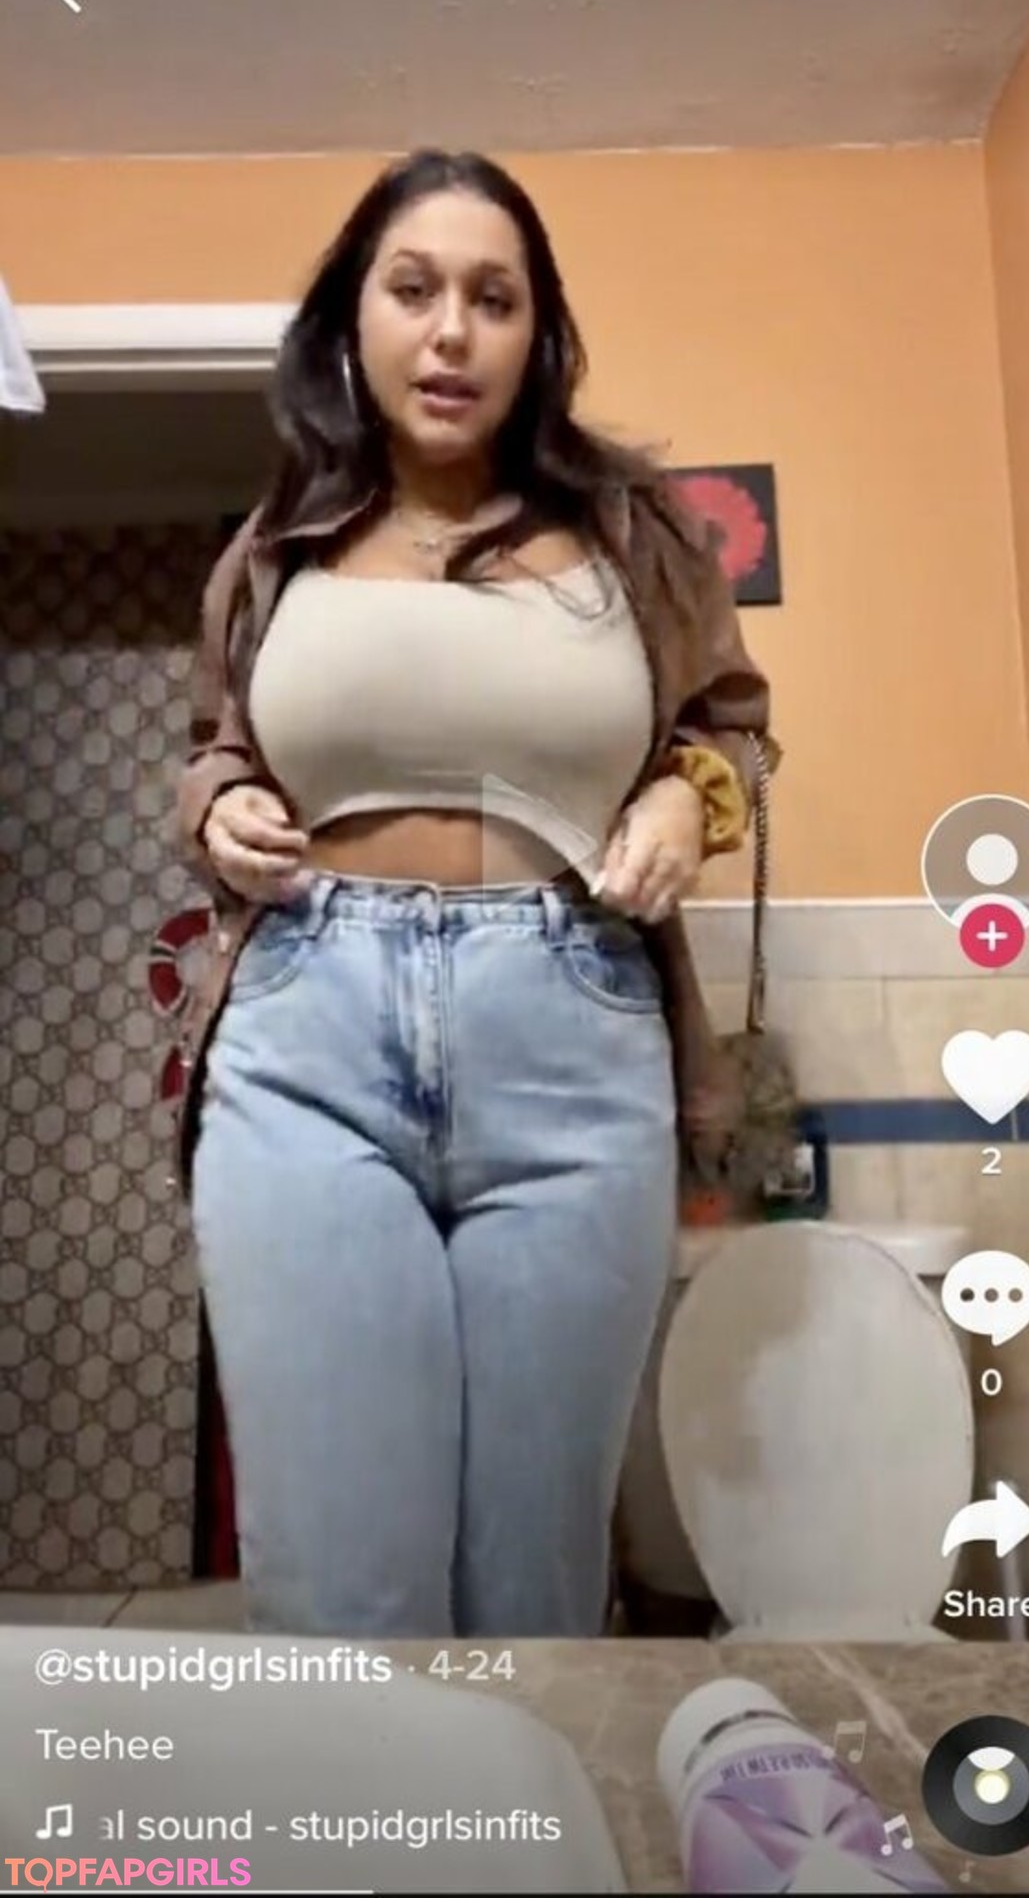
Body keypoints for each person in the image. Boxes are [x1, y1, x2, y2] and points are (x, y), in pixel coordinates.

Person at [174, 148, 778, 1640]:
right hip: (305, 1043)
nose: (451, 332)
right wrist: (222, 806)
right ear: (354, 320)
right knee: (343, 1578)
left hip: (574, 1041)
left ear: (536, 332)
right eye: (414, 289)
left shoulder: (638, 534)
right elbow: (214, 750)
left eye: (493, 299)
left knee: (535, 1583)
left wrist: (682, 799)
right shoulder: (277, 545)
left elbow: (734, 733)